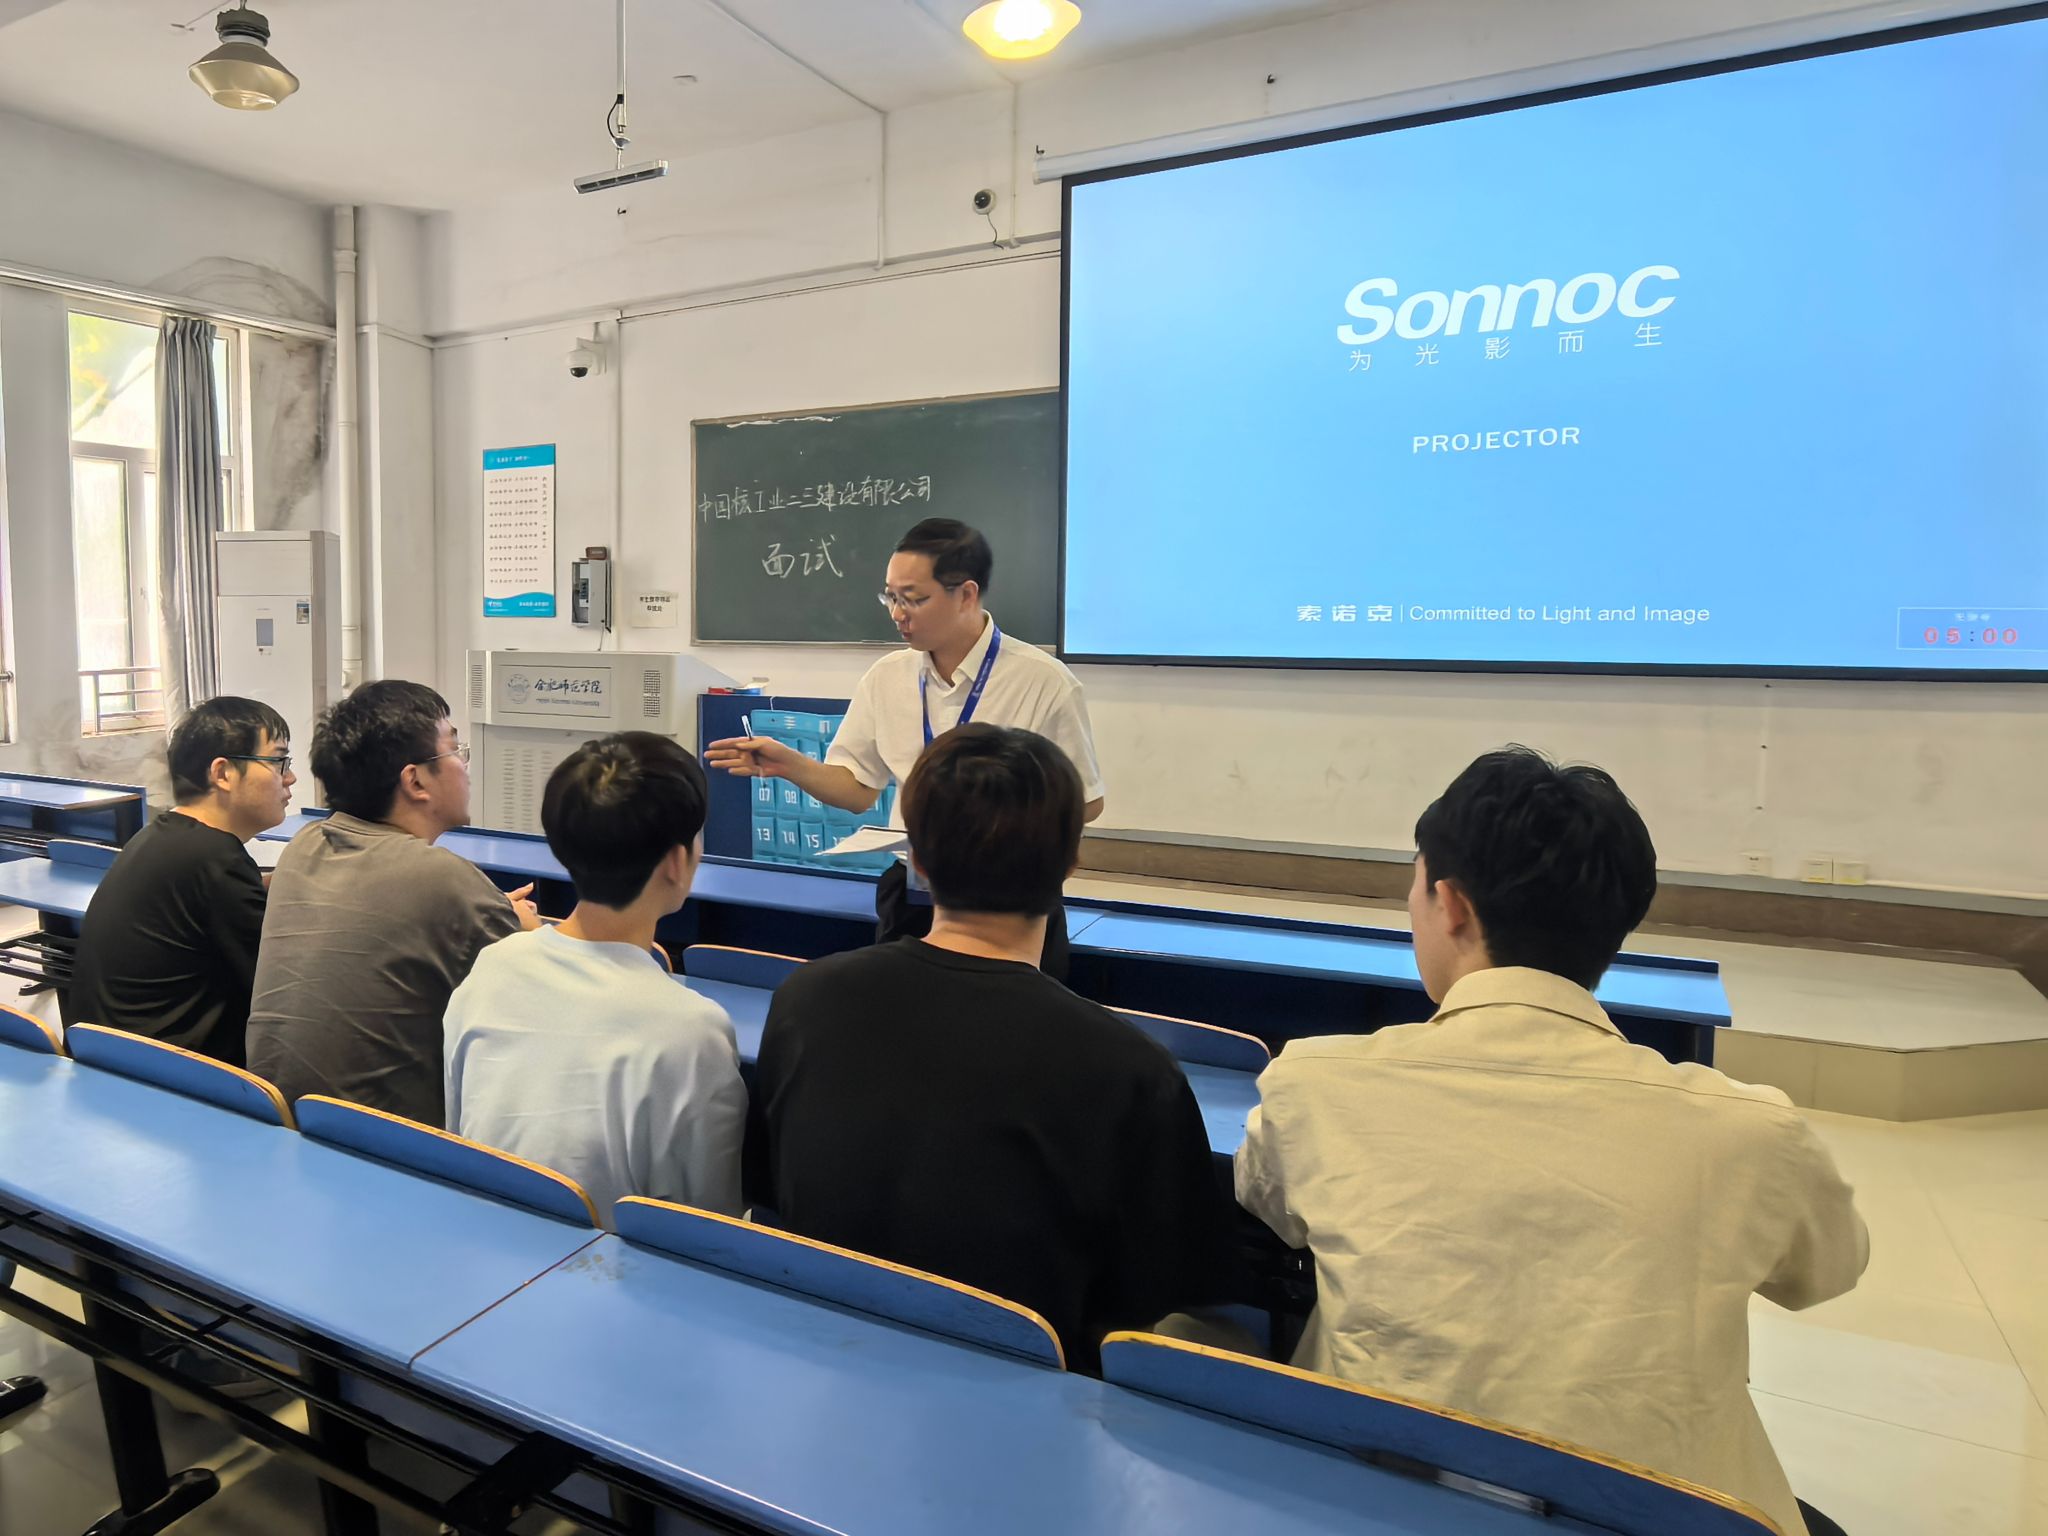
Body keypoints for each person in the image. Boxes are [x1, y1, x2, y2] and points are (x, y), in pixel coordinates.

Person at [1235, 747, 1866, 1536]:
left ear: (1451, 905)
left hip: (1375, 1500)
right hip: (1661, 1512)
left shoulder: (1314, 1085)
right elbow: (1830, 1269)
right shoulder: (1752, 1133)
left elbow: (1266, 1201)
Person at [752, 723, 1232, 1373]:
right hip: (1031, 1399)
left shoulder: (805, 1001)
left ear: (917, 859)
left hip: (824, 1361)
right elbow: (1156, 1297)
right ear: (1070, 861)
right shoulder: (1132, 1071)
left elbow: (771, 1194)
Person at [706, 518, 1103, 976]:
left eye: (913, 598)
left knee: (1018, 1012)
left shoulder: (1043, 681)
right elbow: (857, 789)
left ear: (966, 595)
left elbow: (1087, 801)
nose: (898, 613)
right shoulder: (887, 677)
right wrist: (790, 765)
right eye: (890, 597)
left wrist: (995, 826)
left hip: (1010, 893)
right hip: (913, 887)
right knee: (900, 1010)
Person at [444, 733, 746, 1223]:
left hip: (482, 1237)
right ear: (676, 862)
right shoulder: (693, 1030)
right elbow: (706, 1225)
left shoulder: (492, 966)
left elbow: (457, 1131)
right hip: (607, 1263)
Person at [247, 681, 540, 1125]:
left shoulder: (306, 844)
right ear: (415, 780)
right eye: (454, 749)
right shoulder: (442, 878)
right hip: (385, 1142)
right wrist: (529, 930)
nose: (465, 765)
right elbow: (546, 998)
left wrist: (485, 905)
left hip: (281, 1122)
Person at [69, 696, 295, 1064]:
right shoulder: (217, 860)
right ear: (222, 773)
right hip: (167, 1075)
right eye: (277, 762)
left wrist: (278, 880)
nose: (289, 777)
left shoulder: (163, 837)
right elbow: (280, 986)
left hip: (106, 1057)